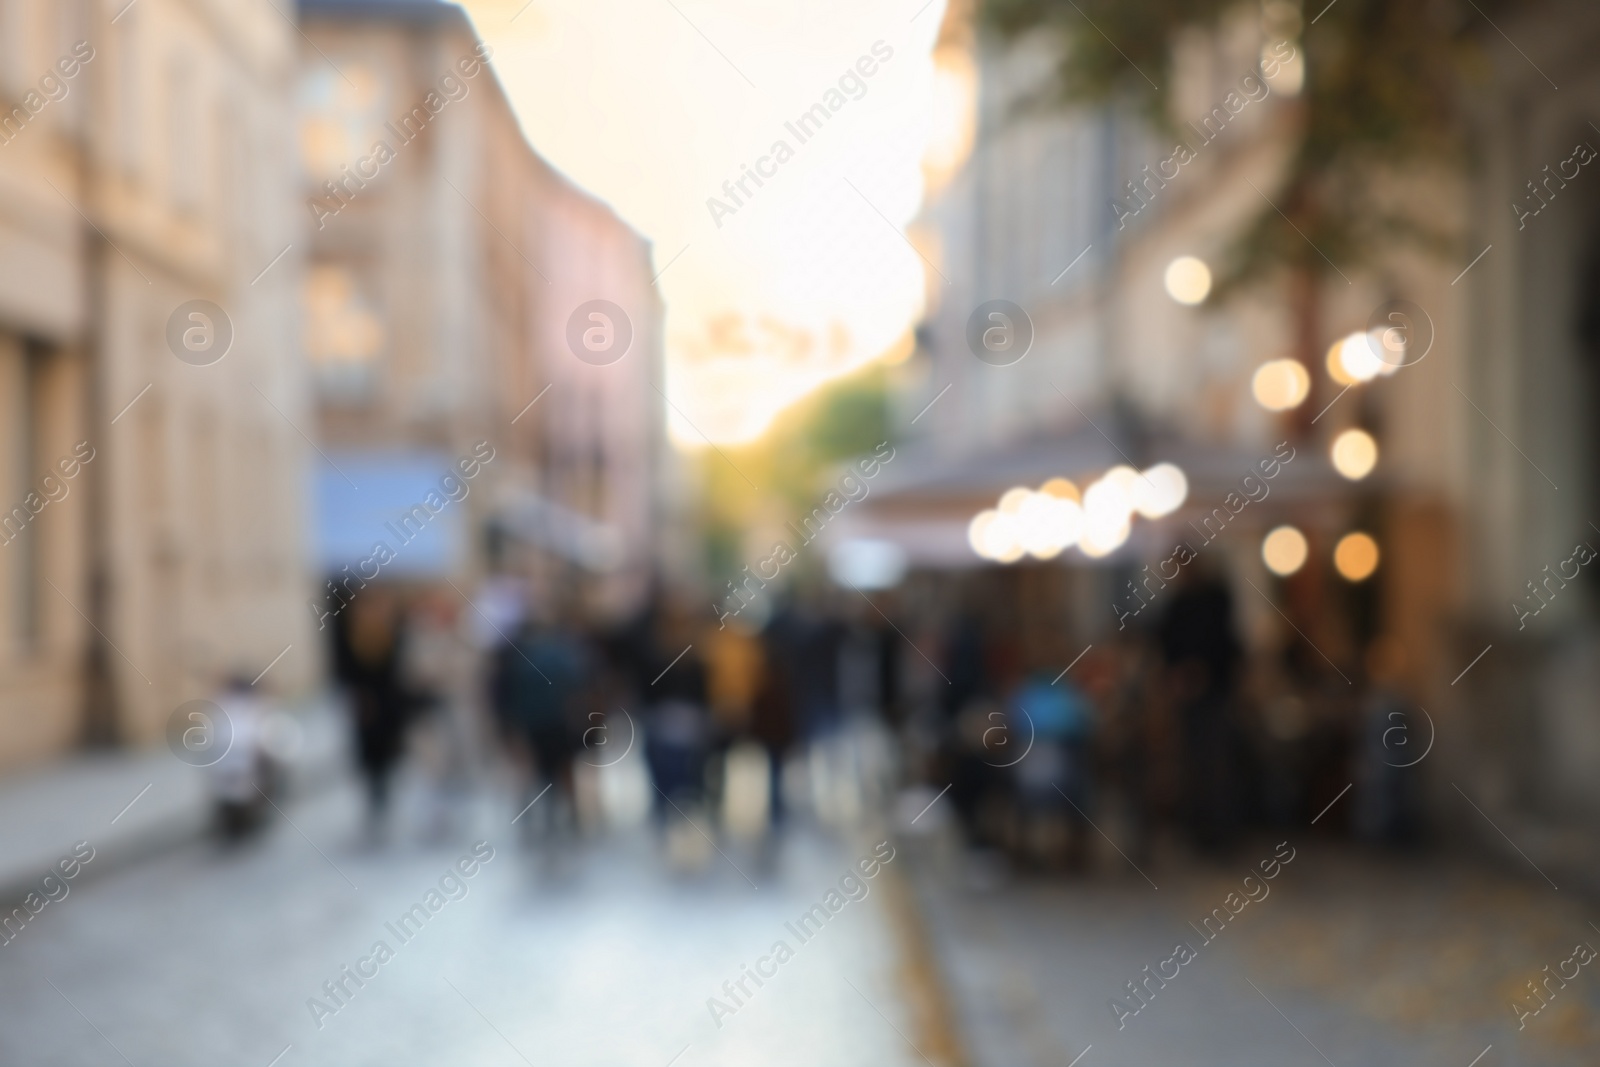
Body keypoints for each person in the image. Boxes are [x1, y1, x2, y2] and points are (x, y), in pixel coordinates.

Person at [333, 587, 411, 842]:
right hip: (364, 708)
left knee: (387, 755)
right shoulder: (351, 636)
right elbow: (345, 671)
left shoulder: (392, 632)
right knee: (369, 757)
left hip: (388, 706)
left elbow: (399, 670)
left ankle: (383, 794)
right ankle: (374, 796)